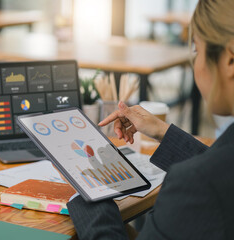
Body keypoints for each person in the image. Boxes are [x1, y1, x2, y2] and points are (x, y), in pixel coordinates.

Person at [66, 0, 234, 239]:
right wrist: (163, 131)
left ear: (229, 59)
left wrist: (93, 194)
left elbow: (210, 179)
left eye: (197, 50)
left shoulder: (195, 185)